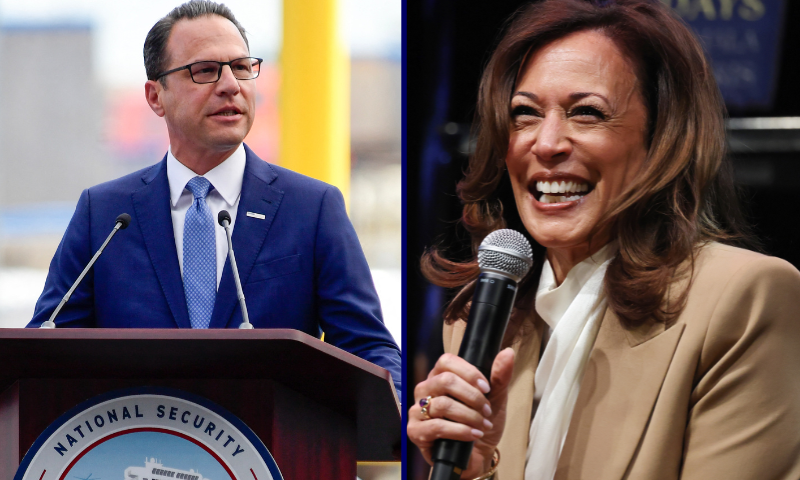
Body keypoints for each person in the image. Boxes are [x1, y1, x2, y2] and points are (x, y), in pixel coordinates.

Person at [407, 0, 800, 478]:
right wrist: (475, 469)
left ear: (662, 138)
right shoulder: (481, 323)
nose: (547, 143)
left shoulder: (746, 297)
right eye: (525, 114)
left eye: (587, 113)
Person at [28, 0, 401, 397]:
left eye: (241, 68)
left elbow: (368, 348)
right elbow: (44, 351)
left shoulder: (311, 208)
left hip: (274, 453)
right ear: (156, 97)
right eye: (205, 71)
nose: (231, 85)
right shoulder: (104, 214)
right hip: (134, 445)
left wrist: (395, 410)